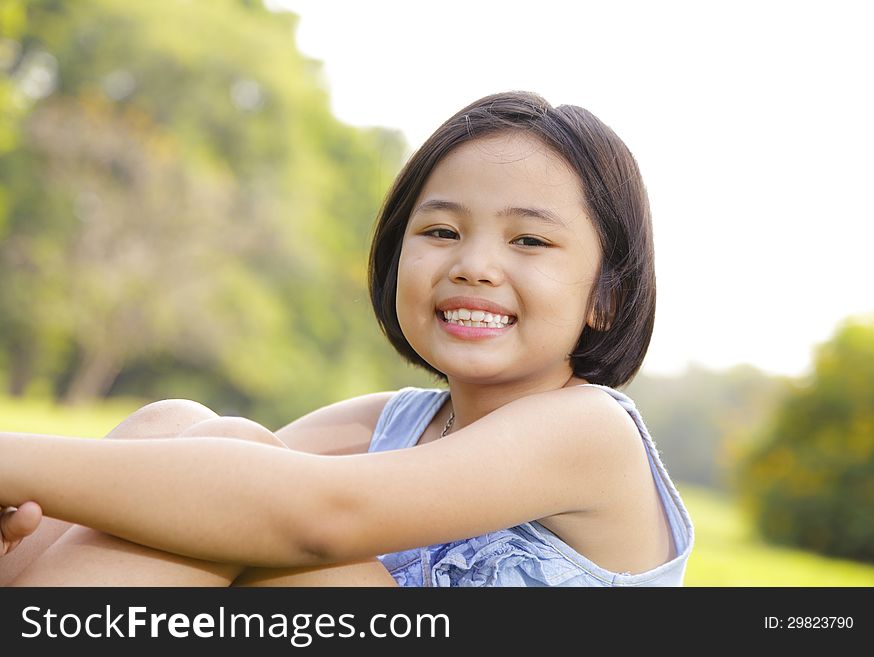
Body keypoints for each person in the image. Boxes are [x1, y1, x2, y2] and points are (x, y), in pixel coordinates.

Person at [0, 90, 694, 587]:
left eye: (530, 239)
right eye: (441, 231)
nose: (473, 265)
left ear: (607, 295)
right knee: (173, 425)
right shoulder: (382, 424)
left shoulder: (589, 430)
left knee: (261, 511)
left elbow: (317, 515)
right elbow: (203, 488)